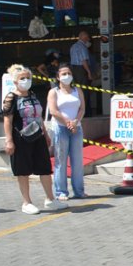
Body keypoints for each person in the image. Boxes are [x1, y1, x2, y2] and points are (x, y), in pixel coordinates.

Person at [3, 64, 65, 215]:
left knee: (45, 168)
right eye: (22, 78)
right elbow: (7, 120)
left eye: (28, 78)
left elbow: (38, 116)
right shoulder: (11, 97)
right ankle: (27, 202)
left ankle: (50, 199)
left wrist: (46, 134)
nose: (26, 80)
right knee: (23, 171)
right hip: (21, 139)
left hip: (38, 136)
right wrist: (9, 141)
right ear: (15, 81)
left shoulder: (32, 95)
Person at [47, 64, 87, 200]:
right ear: (58, 77)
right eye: (63, 74)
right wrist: (67, 123)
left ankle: (79, 191)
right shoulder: (54, 92)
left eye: (69, 73)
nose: (67, 76)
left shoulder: (77, 90)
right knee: (61, 161)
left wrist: (75, 121)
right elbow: (53, 111)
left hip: (77, 128)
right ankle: (61, 192)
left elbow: (82, 108)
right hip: (60, 128)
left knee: (77, 161)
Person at [70, 30, 95, 112]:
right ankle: (86, 111)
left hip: (74, 70)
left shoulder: (73, 46)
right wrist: (89, 72)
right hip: (81, 70)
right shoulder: (82, 47)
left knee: (77, 90)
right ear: (84, 37)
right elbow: (83, 61)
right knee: (84, 91)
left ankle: (79, 110)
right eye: (87, 37)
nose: (88, 39)